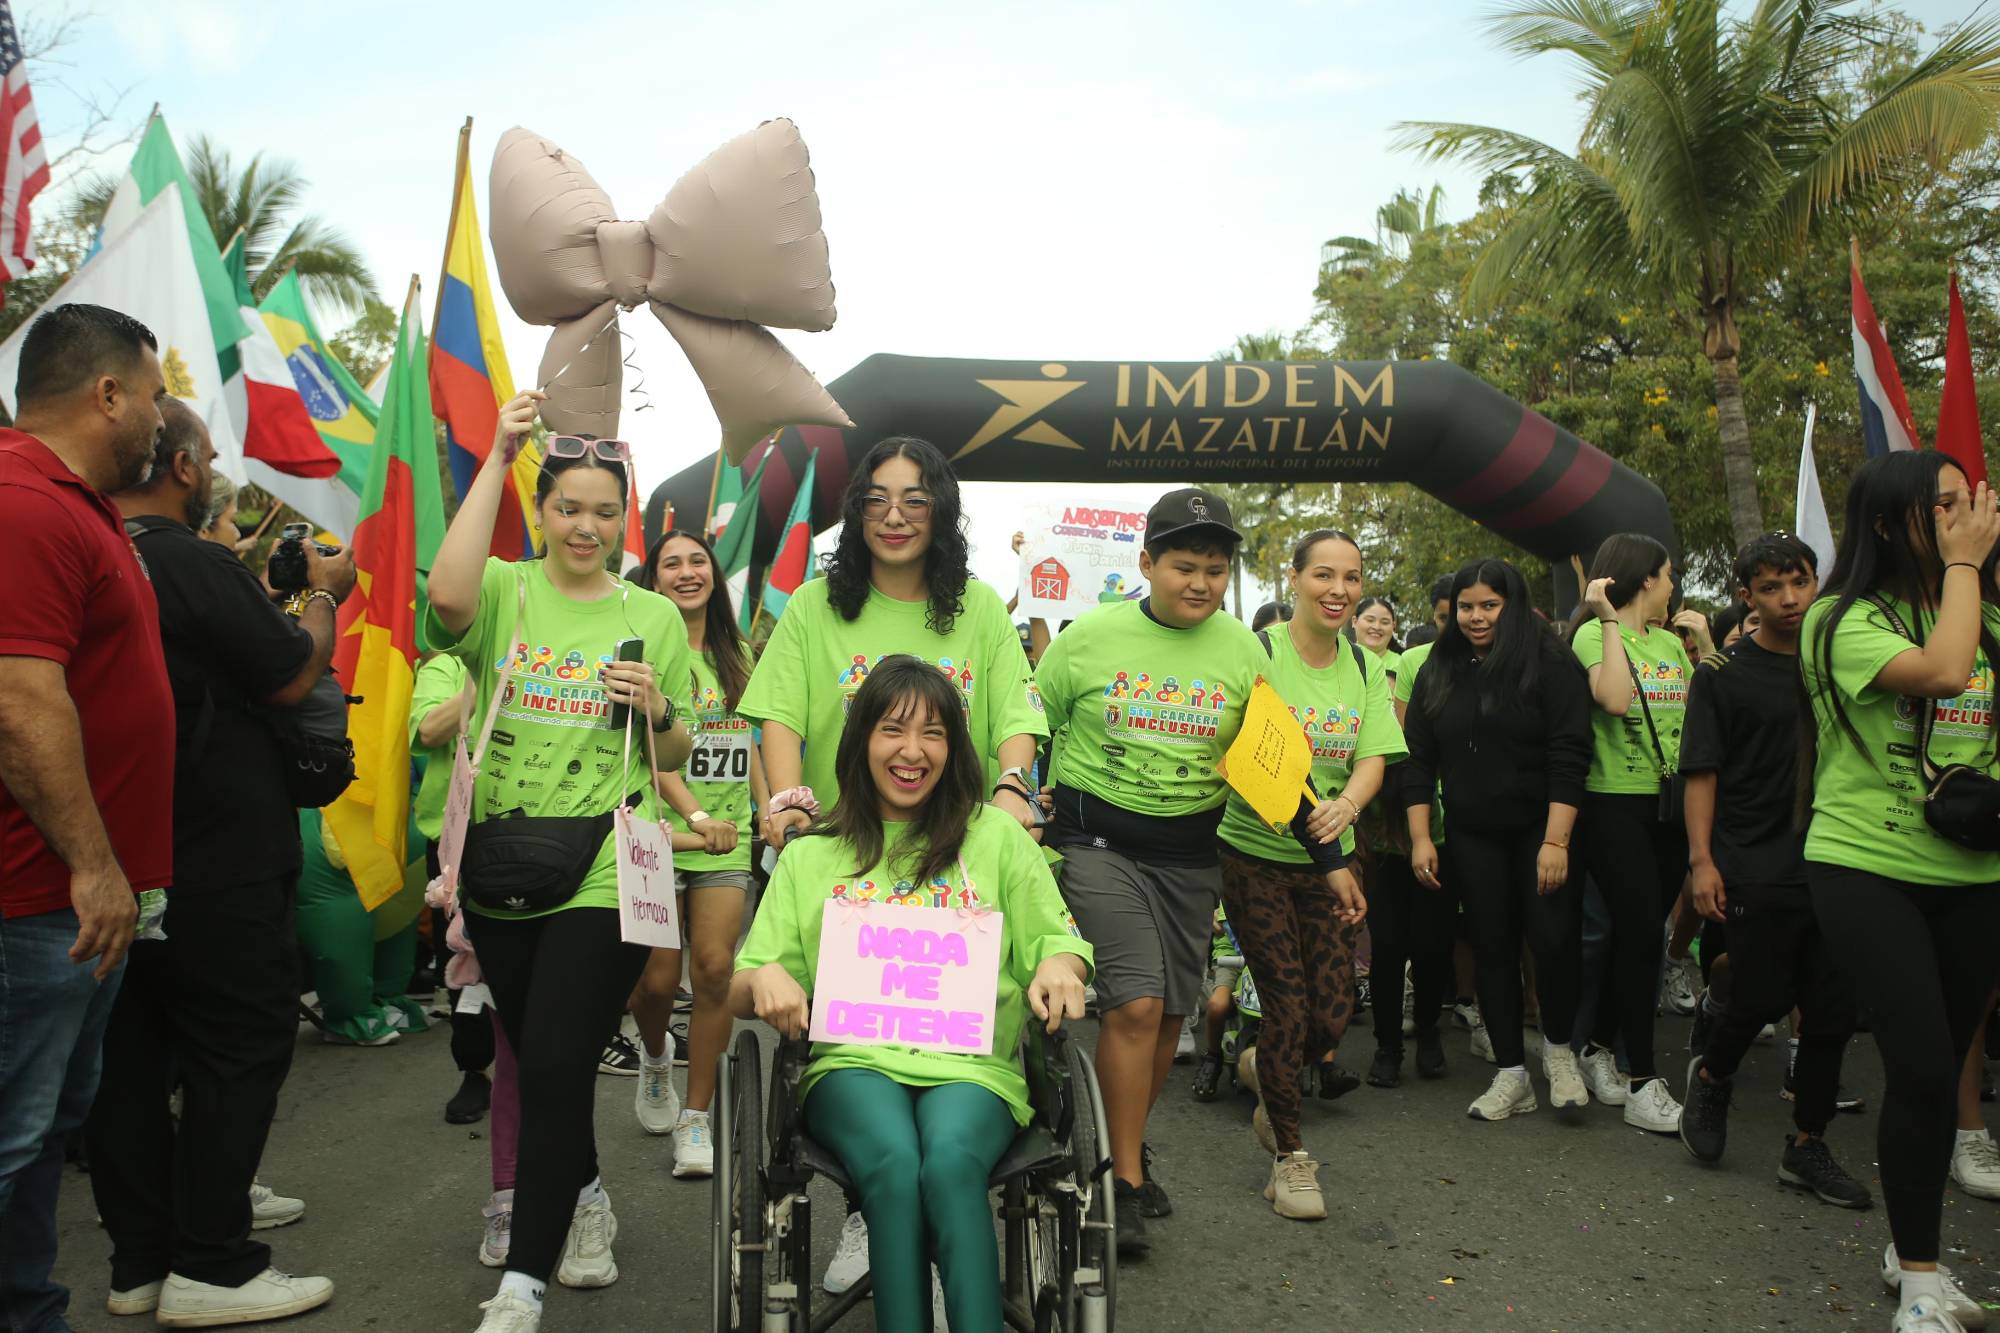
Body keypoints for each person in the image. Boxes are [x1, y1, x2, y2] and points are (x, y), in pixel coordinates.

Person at [738, 435, 1046, 1290]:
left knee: (950, 1037)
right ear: (855, 512)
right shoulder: (816, 606)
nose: (896, 515)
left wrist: (1013, 789)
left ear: (941, 511)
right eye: (876, 498)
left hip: (953, 846)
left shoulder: (976, 610)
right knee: (856, 1047)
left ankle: (928, 1214)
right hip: (845, 847)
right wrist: (789, 806)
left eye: (915, 499)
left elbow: (1017, 714)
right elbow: (781, 716)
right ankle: (870, 1213)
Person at [427, 396, 697, 1333]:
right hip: (502, 865)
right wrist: (496, 457)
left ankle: (521, 1287)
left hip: (608, 868)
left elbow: (675, 753)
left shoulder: (651, 614)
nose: (587, 527)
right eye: (568, 507)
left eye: (605, 512)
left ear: (626, 520)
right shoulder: (506, 591)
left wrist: (656, 706)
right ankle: (582, 1191)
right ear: (540, 511)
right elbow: (446, 601)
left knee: (551, 1059)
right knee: (549, 1064)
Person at [732, 656, 1092, 1333]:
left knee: (951, 1163)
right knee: (895, 1165)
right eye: (893, 729)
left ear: (954, 748)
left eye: (933, 733)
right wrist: (764, 979)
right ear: (861, 739)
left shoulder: (996, 838)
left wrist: (1060, 966)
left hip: (972, 1066)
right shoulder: (812, 855)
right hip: (853, 1063)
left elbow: (1057, 937)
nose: (912, 750)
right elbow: (746, 980)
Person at [83, 397, 342, 1326]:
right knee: (239, 1043)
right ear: (187, 468)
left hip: (108, 850)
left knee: (131, 1054)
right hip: (216, 851)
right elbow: (291, 670)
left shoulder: (90, 551)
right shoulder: (188, 560)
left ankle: (144, 1258)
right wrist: (322, 595)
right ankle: (213, 1263)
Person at [1034, 488, 1344, 1255]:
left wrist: (1333, 862)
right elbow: (1031, 722)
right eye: (1184, 566)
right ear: (1147, 563)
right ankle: (1116, 1181)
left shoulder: (1243, 650)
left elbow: (1278, 762)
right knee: (1137, 1003)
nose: (1200, 582)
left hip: (1191, 856)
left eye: (1214, 569)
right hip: (1096, 844)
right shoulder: (1088, 638)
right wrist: (1023, 792)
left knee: (1171, 1014)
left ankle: (1125, 1148)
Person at [0, 304, 174, 1333]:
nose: (161, 416)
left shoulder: (79, 505)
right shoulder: (23, 502)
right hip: (37, 896)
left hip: (72, 902)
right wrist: (92, 864)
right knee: (13, 1136)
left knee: (42, 1127)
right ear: (107, 393)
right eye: (153, 395)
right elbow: (20, 700)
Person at [1800, 451, 2000, 1333]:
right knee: (1919, 1067)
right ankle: (1920, 1285)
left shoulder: (1985, 610)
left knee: (1942, 1070)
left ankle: (1909, 1248)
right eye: (1944, 506)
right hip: (1867, 865)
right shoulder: (1841, 617)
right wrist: (1966, 565)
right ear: (1888, 523)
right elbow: (1946, 672)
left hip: (1976, 872)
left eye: (1971, 502)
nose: (1968, 518)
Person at [1676, 533, 1871, 1210]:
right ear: (1747, 597)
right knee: (1759, 995)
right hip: (1752, 859)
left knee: (1831, 1011)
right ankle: (1713, 1076)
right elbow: (1701, 771)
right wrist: (1702, 862)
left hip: (1839, 856)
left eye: (1800, 582)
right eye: (1771, 587)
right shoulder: (1721, 675)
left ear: (1818, 582)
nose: (1789, 598)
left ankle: (1807, 1144)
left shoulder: (1837, 662)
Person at [1215, 529, 1394, 1219]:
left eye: (1351, 577)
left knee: (1332, 1013)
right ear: (1293, 579)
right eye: (1323, 574)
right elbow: (1262, 766)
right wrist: (1329, 848)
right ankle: (1289, 1157)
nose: (1339, 590)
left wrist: (1349, 806)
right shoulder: (1256, 653)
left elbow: (1373, 756)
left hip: (1331, 865)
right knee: (1287, 1006)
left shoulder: (1365, 664)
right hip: (1254, 858)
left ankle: (1267, 1065)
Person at [1404, 558, 1593, 1122]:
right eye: (1466, 607)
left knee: (1553, 940)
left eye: (1490, 605)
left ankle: (1559, 1052)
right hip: (1472, 831)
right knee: (1491, 945)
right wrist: (1421, 836)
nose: (1476, 617)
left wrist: (1556, 842)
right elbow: (1418, 758)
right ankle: (1512, 1071)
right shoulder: (1440, 667)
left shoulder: (1550, 661)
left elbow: (1570, 751)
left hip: (1544, 829)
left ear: (1512, 605)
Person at [629, 527, 770, 1178]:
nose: (687, 572)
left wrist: (767, 806)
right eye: (671, 564)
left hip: (725, 839)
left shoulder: (739, 651)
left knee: (714, 968)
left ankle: (696, 1117)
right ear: (653, 579)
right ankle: (657, 1054)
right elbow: (649, 753)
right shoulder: (645, 651)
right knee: (657, 981)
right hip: (660, 832)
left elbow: (750, 741)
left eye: (697, 561)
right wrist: (696, 814)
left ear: (713, 574)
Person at [1571, 532, 1712, 1133]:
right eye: (1668, 573)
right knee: (1639, 932)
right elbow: (1613, 699)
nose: (1673, 584)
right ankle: (1642, 1081)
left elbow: (1706, 711)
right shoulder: (1591, 635)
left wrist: (1706, 648)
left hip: (1670, 805)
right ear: (1645, 578)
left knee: (1642, 934)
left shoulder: (1671, 644)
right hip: (1613, 804)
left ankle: (1596, 1046)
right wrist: (1607, 619)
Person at [411, 652, 496, 1105]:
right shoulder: (447, 667)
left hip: (539, 833)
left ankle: (534, 1071)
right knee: (463, 958)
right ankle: (474, 1068)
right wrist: (490, 674)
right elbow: (427, 732)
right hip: (456, 843)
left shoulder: (550, 654)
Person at [1350, 595, 1402, 682]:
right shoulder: (1336, 657)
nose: (1377, 627)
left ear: (1393, 626)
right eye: (1370, 620)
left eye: (1385, 622)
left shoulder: (1402, 665)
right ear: (1354, 621)